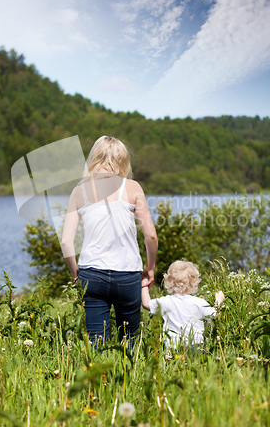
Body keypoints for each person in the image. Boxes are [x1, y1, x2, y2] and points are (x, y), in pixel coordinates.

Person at [61, 135, 158, 344]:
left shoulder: (79, 191)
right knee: (130, 341)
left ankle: (99, 376)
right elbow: (150, 235)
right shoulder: (132, 187)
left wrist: (75, 272)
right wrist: (151, 267)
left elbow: (66, 242)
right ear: (123, 160)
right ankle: (128, 375)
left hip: (91, 274)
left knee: (97, 342)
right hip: (128, 274)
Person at [141, 260, 224, 349]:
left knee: (174, 362)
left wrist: (144, 283)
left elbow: (146, 304)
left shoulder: (166, 301)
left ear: (169, 281)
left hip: (173, 347)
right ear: (194, 282)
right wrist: (218, 300)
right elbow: (215, 315)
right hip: (196, 346)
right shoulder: (199, 302)